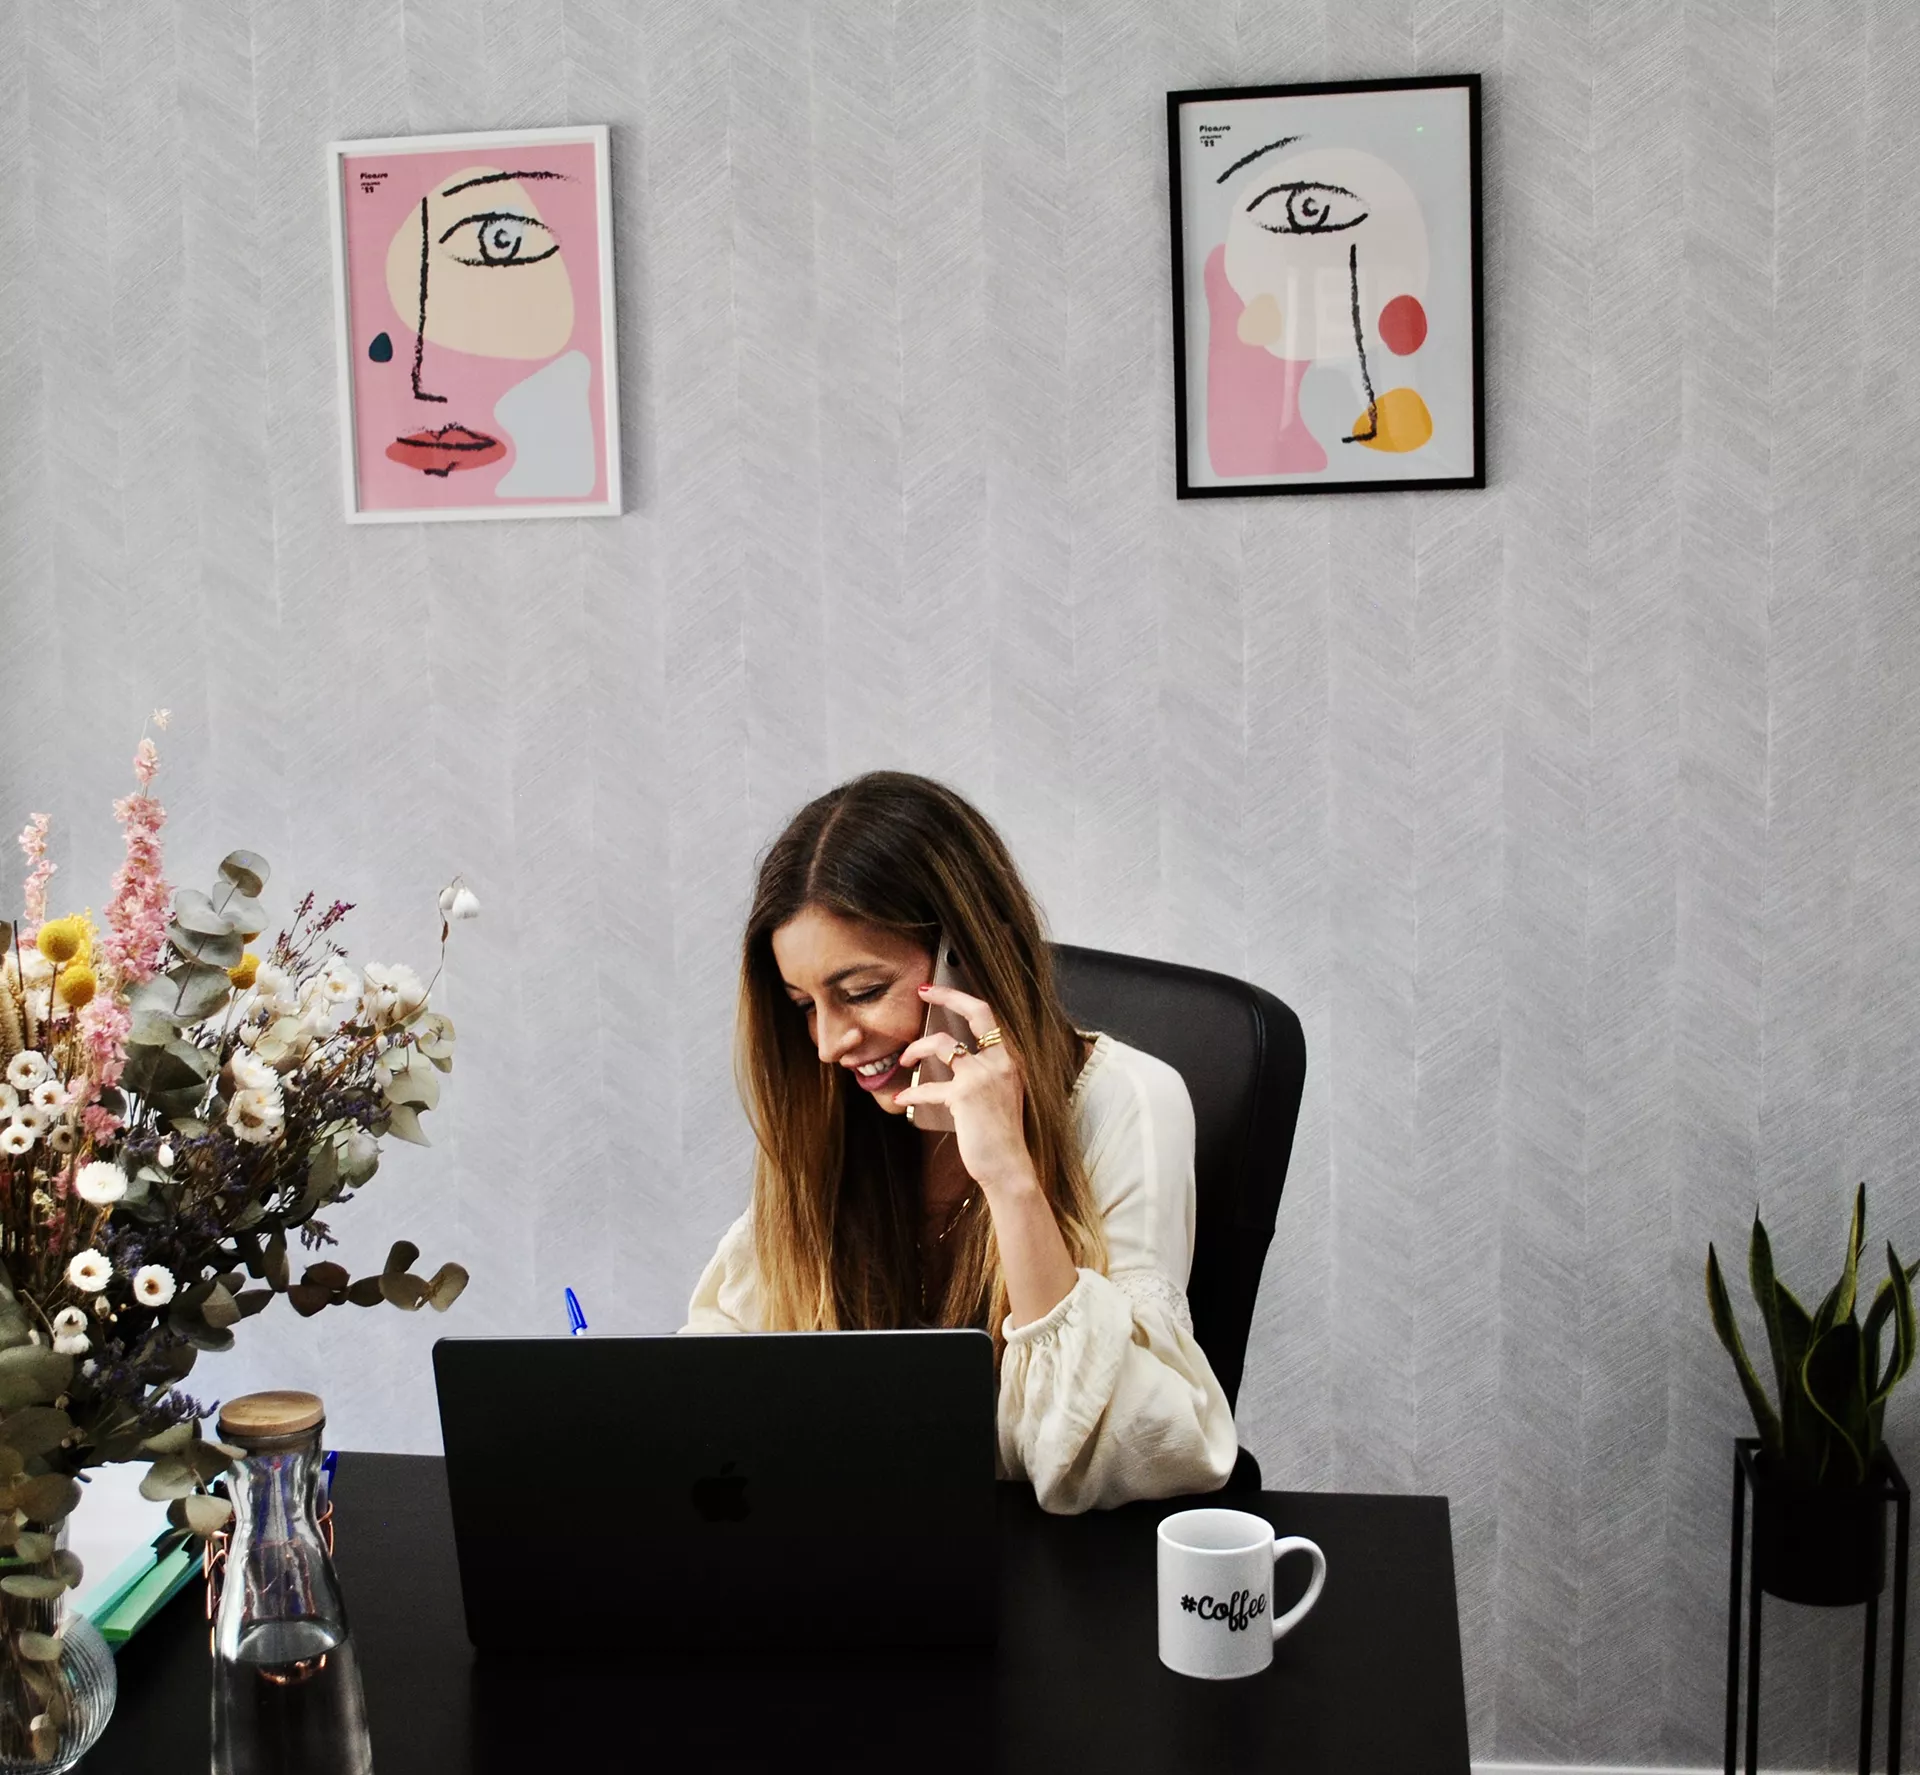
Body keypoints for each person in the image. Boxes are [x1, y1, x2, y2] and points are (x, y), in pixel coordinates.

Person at [682, 772, 1238, 1513]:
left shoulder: (1129, 1100)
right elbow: (730, 1364)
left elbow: (1121, 1454)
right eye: (803, 1005)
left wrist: (1008, 1171)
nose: (827, 1042)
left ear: (969, 956)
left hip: (1059, 1566)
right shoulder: (836, 1103)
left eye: (860, 991)